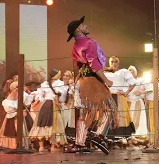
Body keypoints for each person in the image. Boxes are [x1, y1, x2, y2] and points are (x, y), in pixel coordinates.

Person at [67, 16, 118, 153]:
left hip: (83, 80)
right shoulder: (89, 43)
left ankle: (80, 142)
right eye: (83, 25)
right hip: (93, 81)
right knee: (110, 109)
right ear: (78, 29)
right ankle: (98, 135)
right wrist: (106, 80)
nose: (86, 26)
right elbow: (93, 64)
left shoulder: (75, 45)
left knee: (86, 112)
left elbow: (81, 65)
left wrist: (105, 69)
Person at [28, 69, 67, 152]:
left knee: (42, 123)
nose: (60, 76)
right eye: (59, 75)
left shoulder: (44, 84)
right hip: (53, 104)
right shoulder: (59, 83)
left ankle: (41, 146)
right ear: (56, 75)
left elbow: (41, 97)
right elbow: (59, 97)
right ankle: (53, 145)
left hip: (45, 104)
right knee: (55, 123)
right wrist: (59, 103)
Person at [0, 81, 33, 150]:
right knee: (13, 130)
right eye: (17, 87)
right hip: (13, 118)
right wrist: (18, 113)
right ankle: (14, 145)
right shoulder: (7, 101)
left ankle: (23, 145)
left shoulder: (23, 94)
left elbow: (27, 102)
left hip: (22, 117)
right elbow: (9, 110)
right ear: (13, 89)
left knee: (24, 129)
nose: (20, 89)